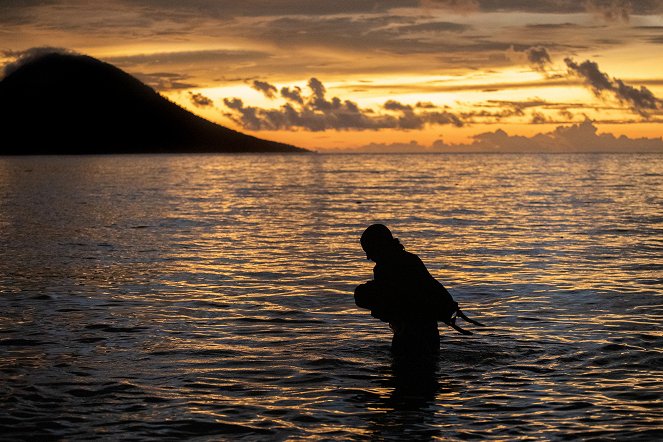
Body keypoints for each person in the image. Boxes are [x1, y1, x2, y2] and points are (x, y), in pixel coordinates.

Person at [354, 224, 482, 362]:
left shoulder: (386, 267)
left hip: (411, 334)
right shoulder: (410, 259)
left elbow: (397, 302)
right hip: (428, 331)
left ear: (379, 246)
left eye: (369, 250)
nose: (368, 257)